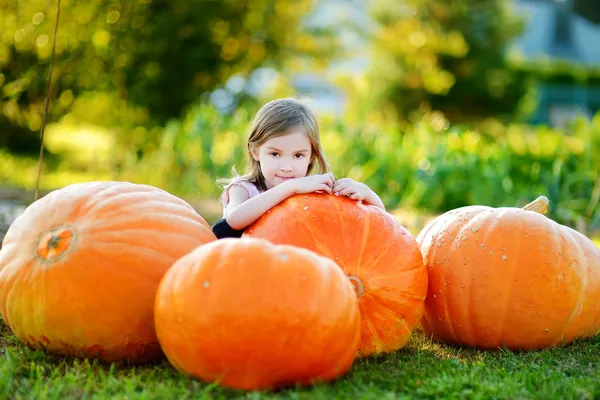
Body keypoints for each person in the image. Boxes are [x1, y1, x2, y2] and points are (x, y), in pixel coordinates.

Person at [212, 97, 385, 239]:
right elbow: (232, 221)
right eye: (275, 154)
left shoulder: (314, 191)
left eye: (298, 156)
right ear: (255, 151)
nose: (287, 167)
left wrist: (366, 193)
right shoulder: (243, 189)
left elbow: (382, 223)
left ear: (311, 156)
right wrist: (291, 188)